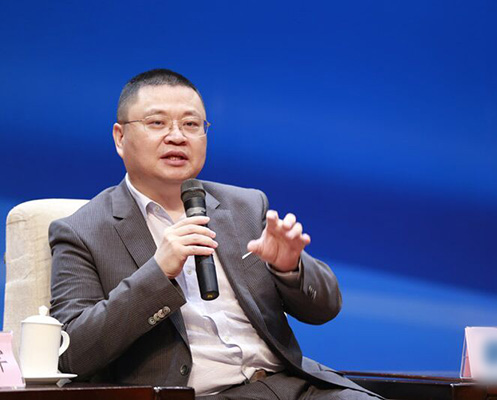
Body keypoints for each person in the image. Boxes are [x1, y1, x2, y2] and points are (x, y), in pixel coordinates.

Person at [49, 69, 382, 399]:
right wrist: (157, 273)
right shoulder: (82, 231)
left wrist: (289, 269)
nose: (177, 136)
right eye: (157, 123)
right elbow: (70, 353)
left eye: (191, 124)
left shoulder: (245, 205)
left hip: (293, 387)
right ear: (120, 137)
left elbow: (325, 309)